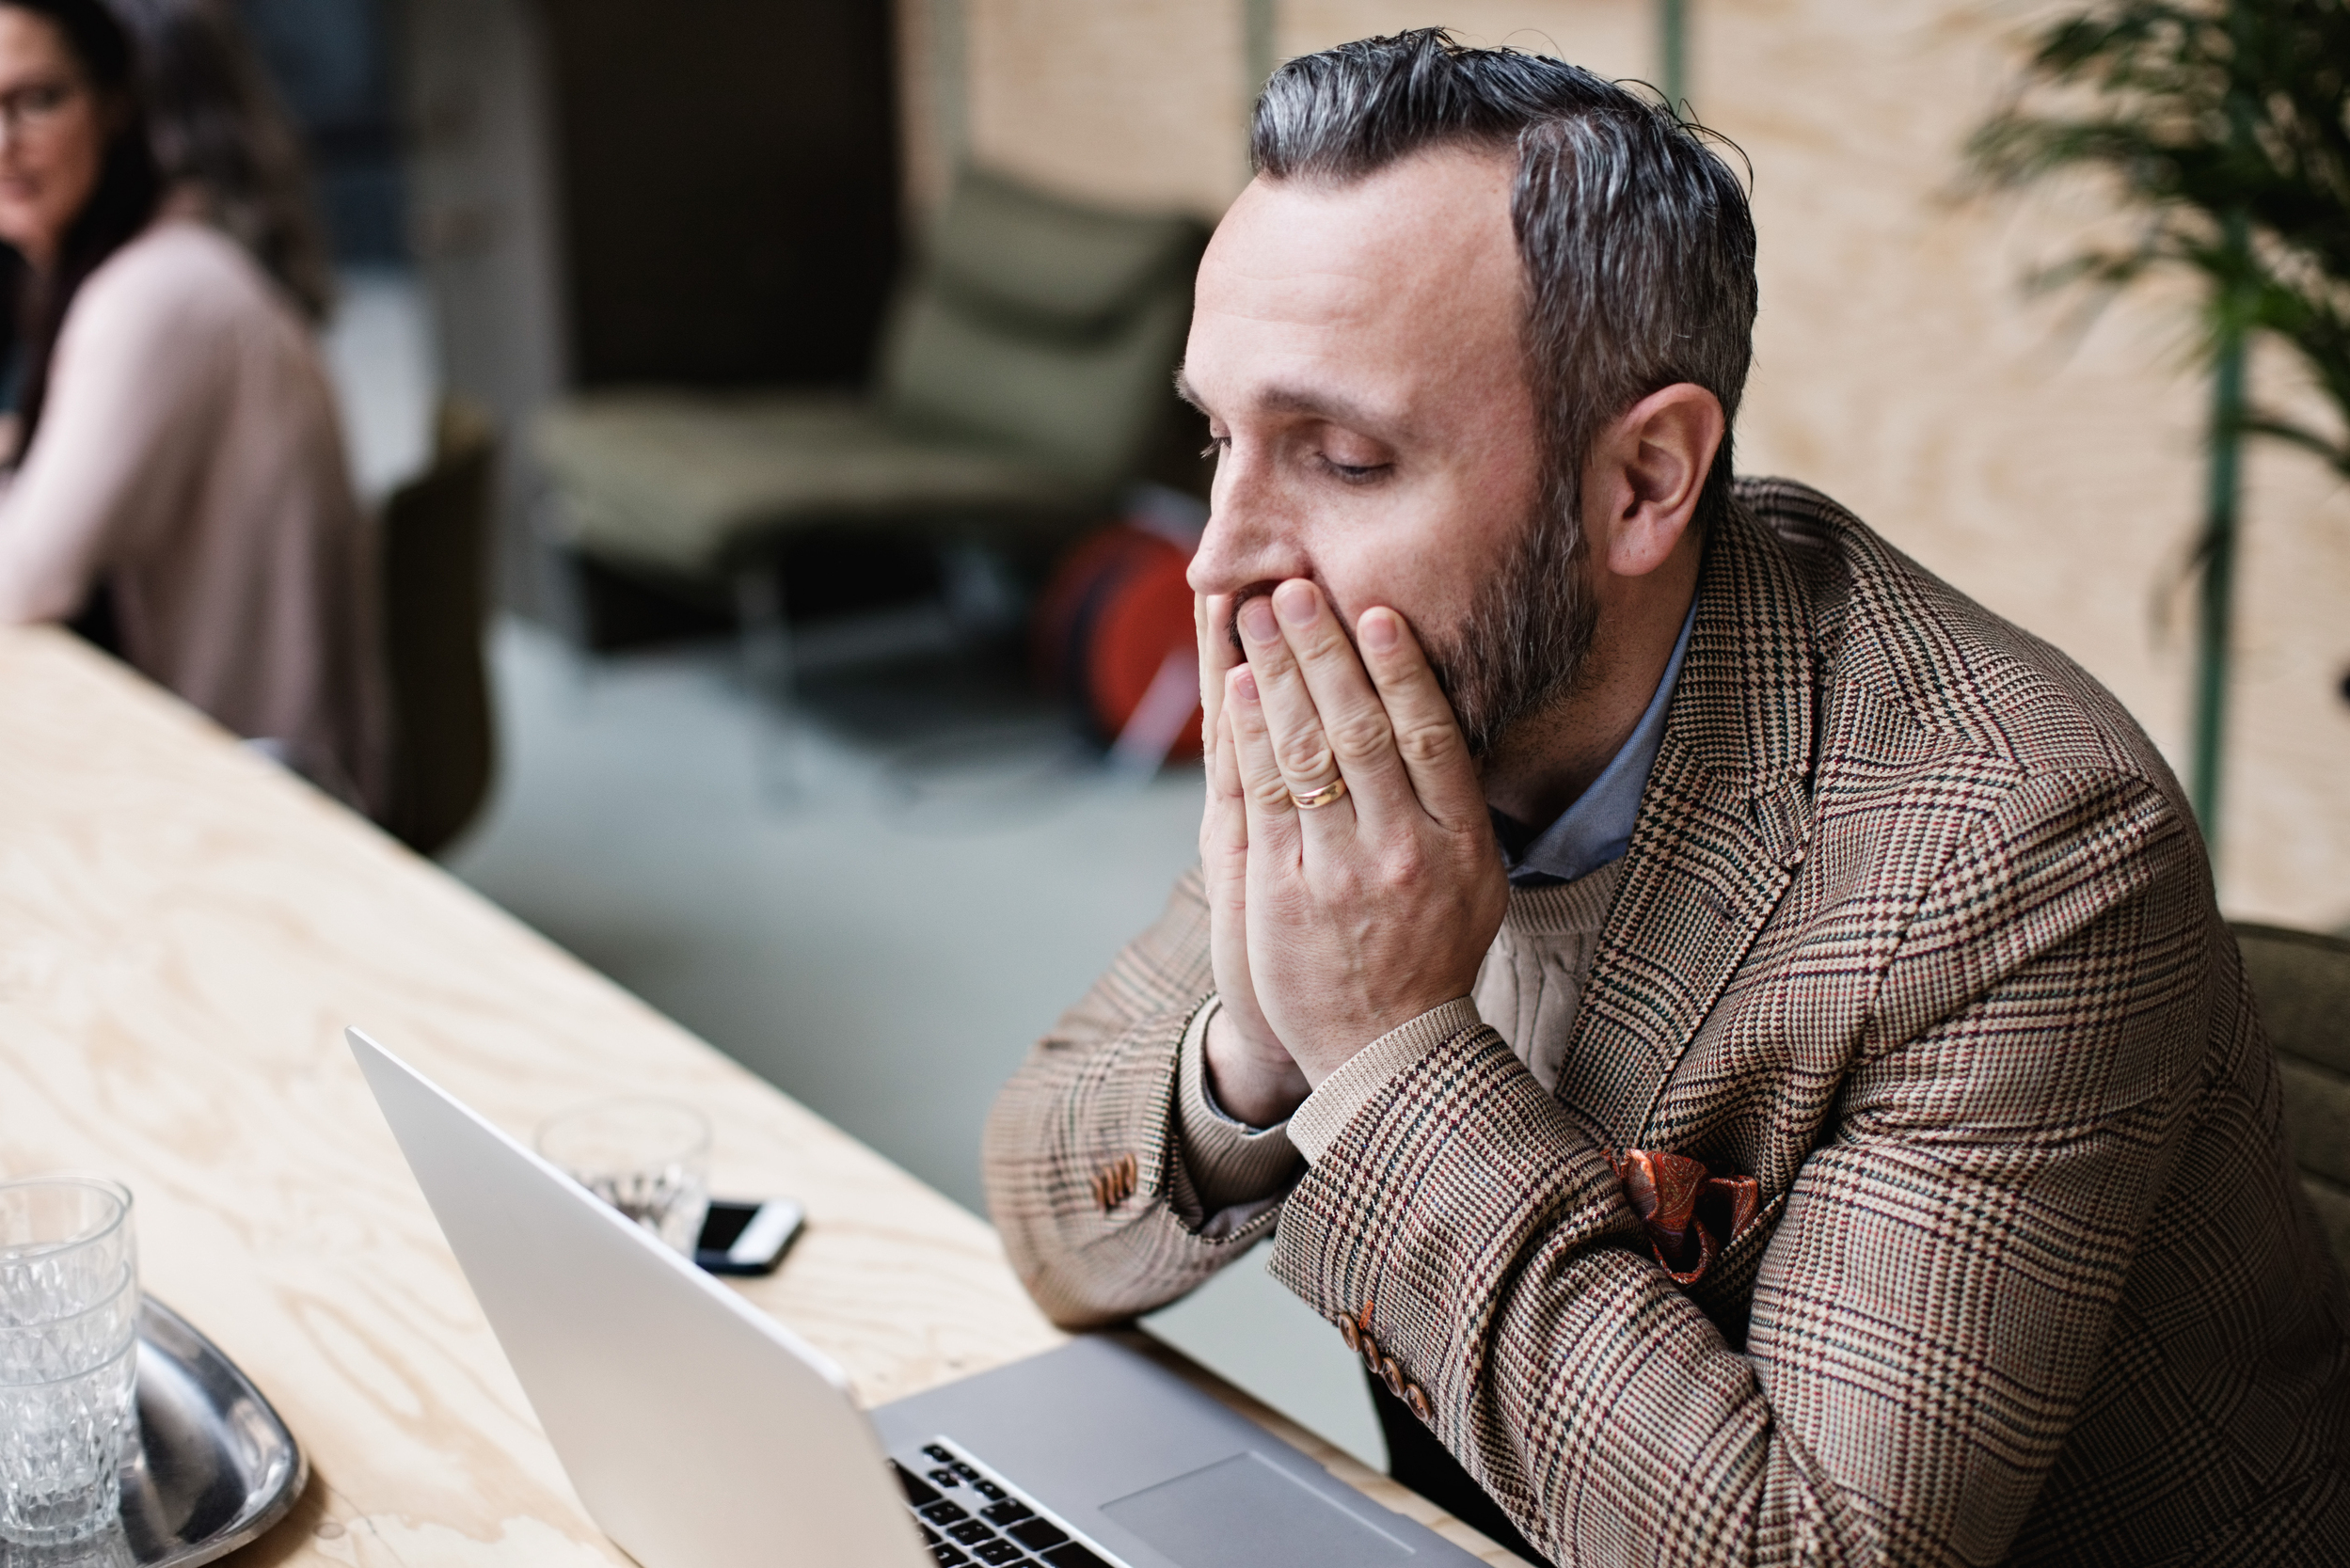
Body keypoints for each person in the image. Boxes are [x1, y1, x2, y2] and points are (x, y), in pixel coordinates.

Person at [984, 31, 2348, 1568]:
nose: (1219, 564)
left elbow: (1806, 1554)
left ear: (1642, 481)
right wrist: (1253, 1042)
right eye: (1220, 439)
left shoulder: (2017, 850)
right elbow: (1049, 1218)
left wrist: (1377, 1046)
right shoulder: (1387, 693)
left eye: (1343, 457)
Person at [0, 0, 384, 812]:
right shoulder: (145, 257)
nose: (3, 143)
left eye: (36, 100)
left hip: (252, 796)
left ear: (113, 108)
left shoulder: (153, 297)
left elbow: (21, 584)